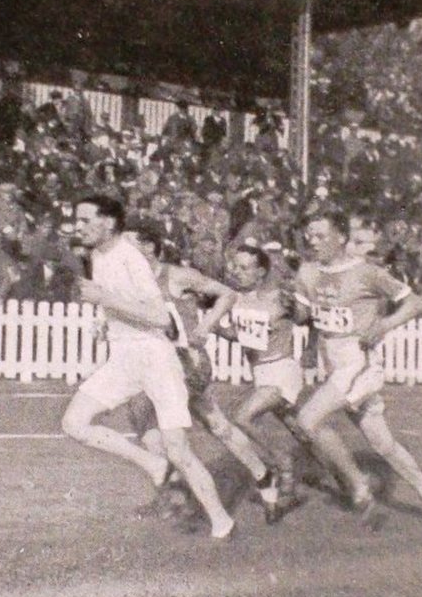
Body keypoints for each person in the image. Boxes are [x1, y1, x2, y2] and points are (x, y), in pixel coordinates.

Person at [60, 196, 235, 540]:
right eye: (76, 220)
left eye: (85, 220)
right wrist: (106, 320)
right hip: (123, 357)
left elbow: (160, 318)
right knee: (73, 423)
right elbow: (122, 304)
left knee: (178, 450)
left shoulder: (130, 257)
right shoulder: (98, 255)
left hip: (155, 359)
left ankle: (222, 523)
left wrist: (105, 300)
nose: (78, 227)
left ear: (109, 222)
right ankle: (153, 464)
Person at [126, 224, 297, 525]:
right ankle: (263, 477)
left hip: (186, 362)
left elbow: (227, 294)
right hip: (155, 363)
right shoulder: (129, 280)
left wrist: (205, 326)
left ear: (149, 246)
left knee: (151, 417)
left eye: (128, 245)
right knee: (216, 425)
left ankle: (177, 494)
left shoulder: (177, 276)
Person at [291, 211, 422, 531]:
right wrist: (291, 304)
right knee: (382, 443)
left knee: (308, 419)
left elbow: (415, 302)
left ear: (341, 237)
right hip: (332, 362)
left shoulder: (366, 272)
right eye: (309, 236)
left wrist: (385, 324)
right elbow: (302, 316)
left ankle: (360, 486)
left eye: (321, 236)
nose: (313, 242)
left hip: (358, 363)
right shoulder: (307, 271)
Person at [219, 244, 312, 522]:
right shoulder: (234, 299)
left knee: (241, 416)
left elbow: (306, 318)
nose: (237, 272)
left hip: (283, 370)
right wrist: (214, 328)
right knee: (303, 431)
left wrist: (297, 303)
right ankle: (341, 479)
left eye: (244, 268)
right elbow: (239, 336)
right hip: (260, 373)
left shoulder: (278, 297)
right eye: (235, 266)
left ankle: (283, 463)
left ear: (260, 272)